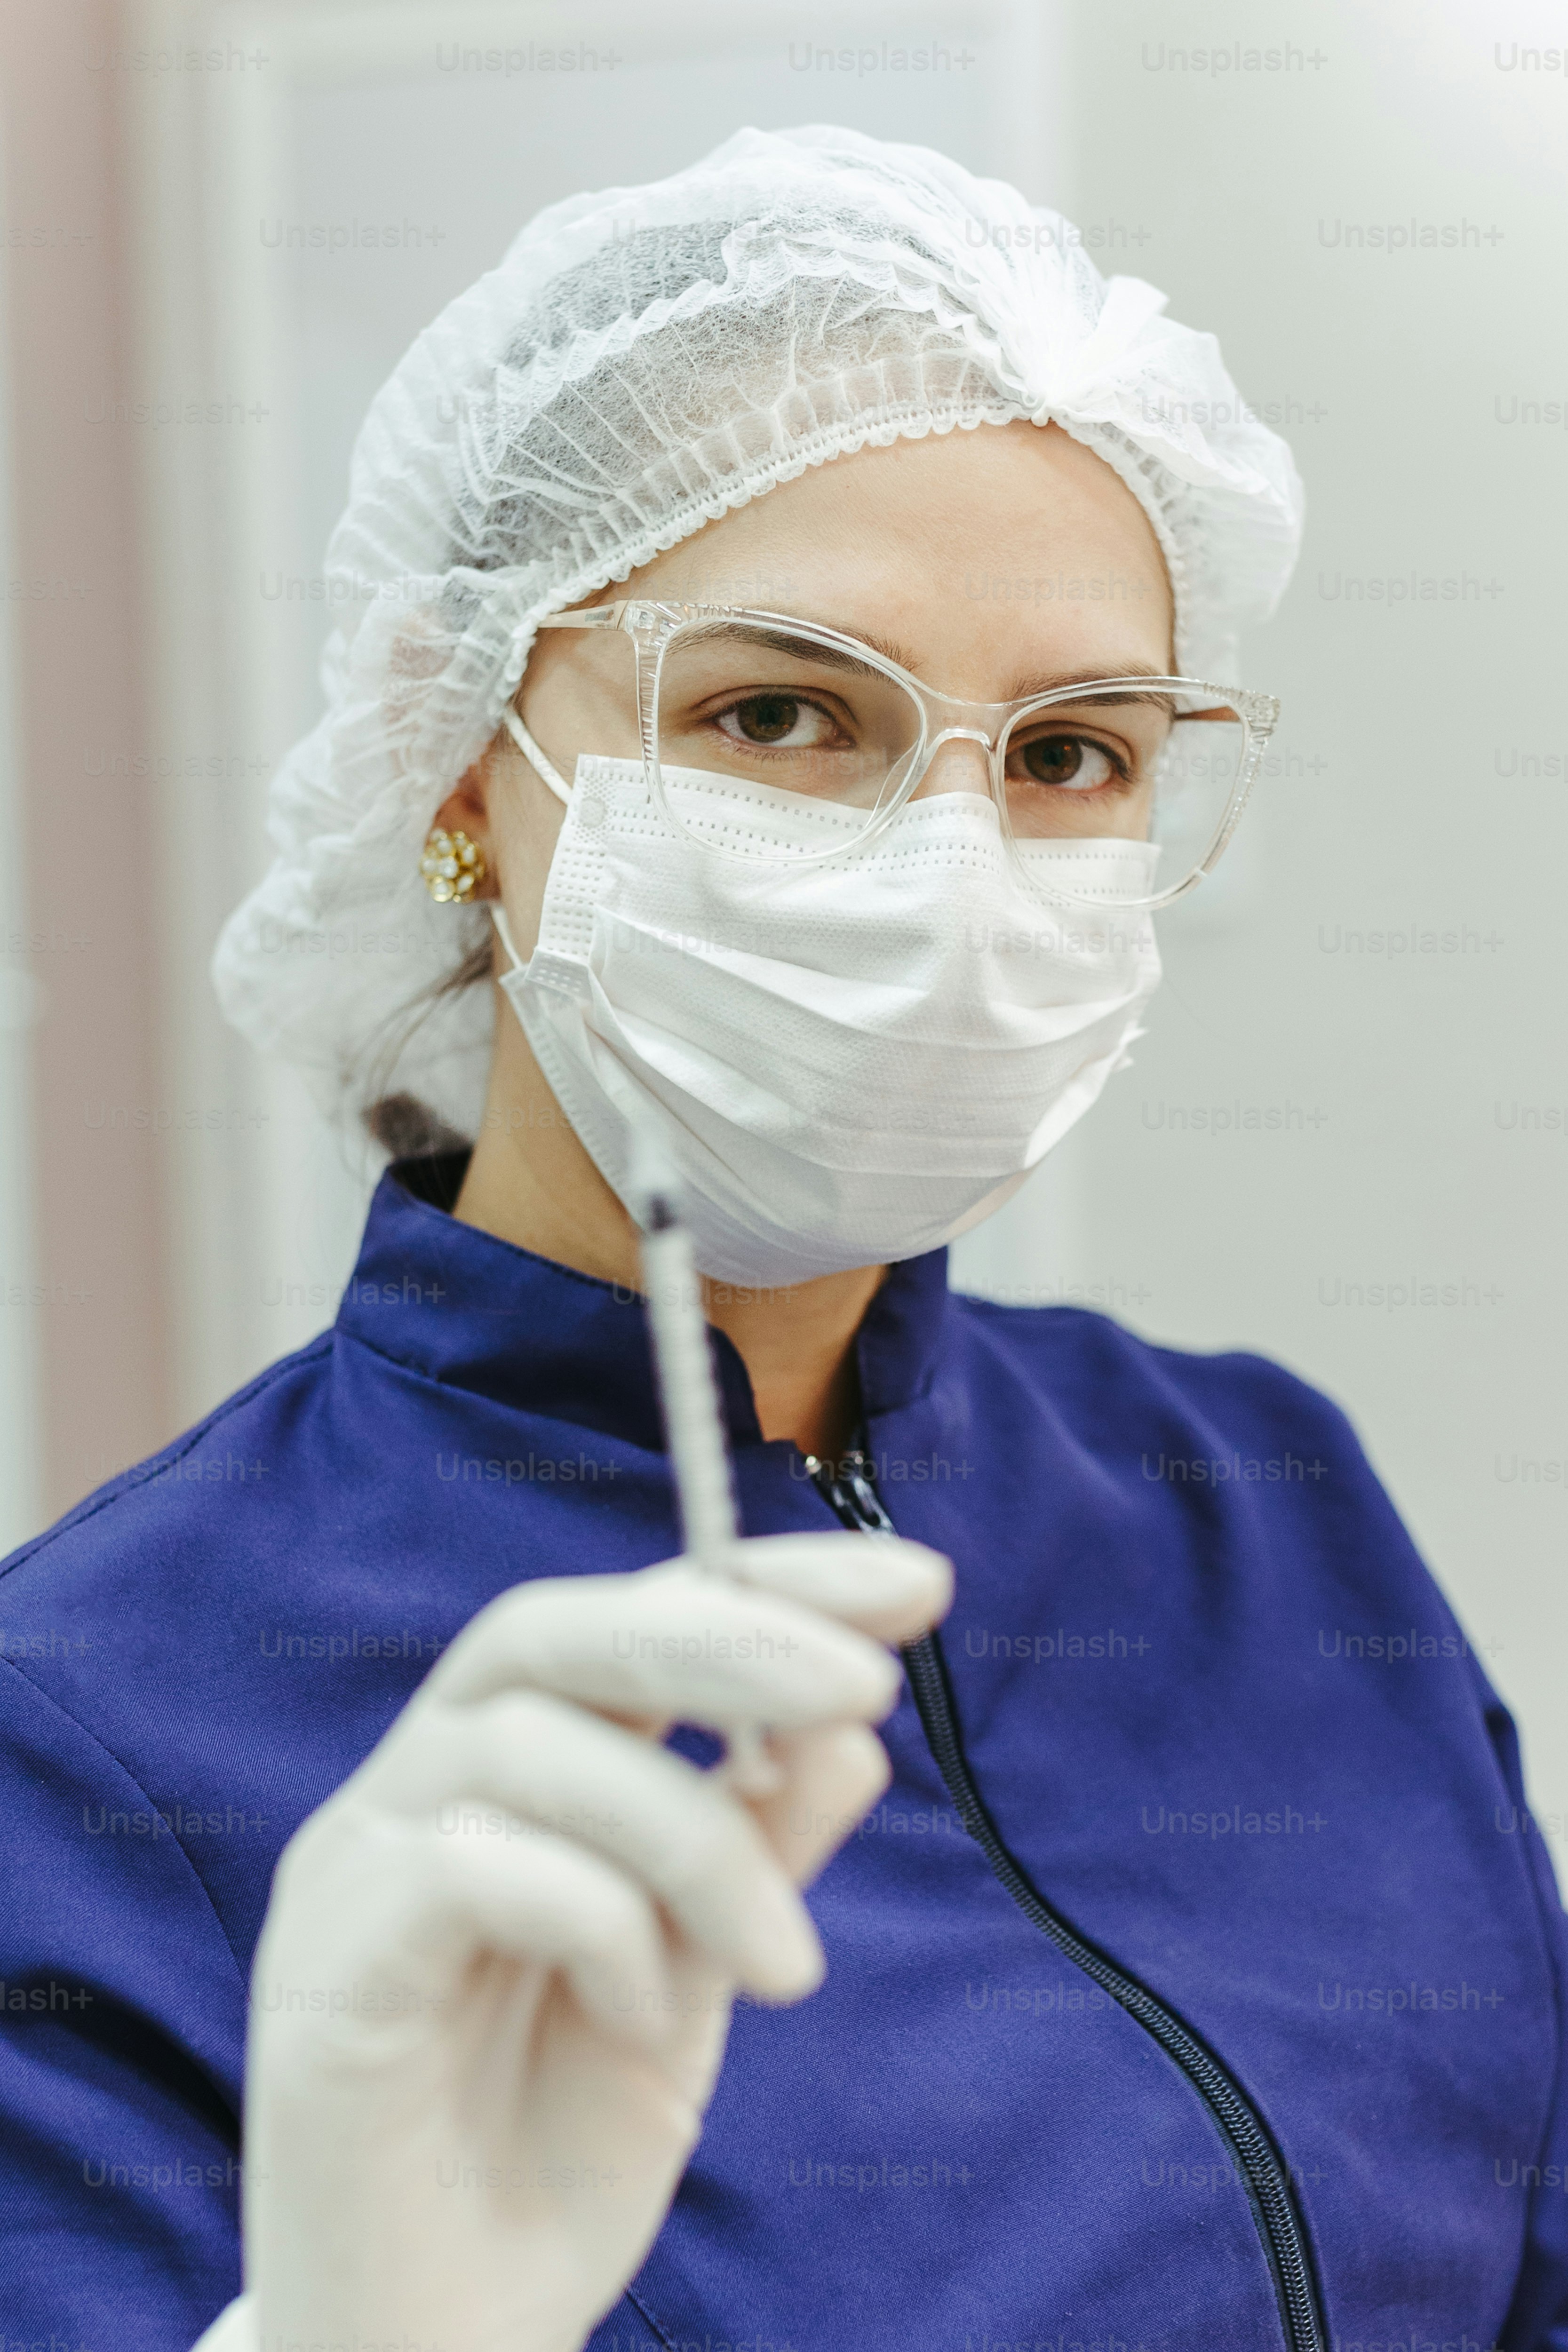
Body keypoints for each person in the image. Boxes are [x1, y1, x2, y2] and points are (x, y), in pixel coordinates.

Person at [0, 123, 1563, 2352]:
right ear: (455, 756)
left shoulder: (1258, 1501)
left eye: (1071, 751)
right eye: (780, 713)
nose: (951, 867)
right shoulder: (84, 1732)